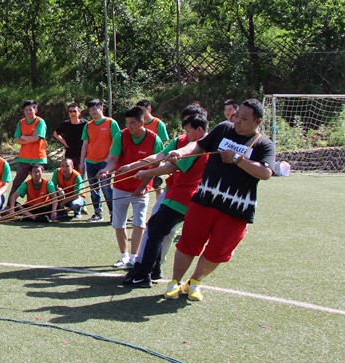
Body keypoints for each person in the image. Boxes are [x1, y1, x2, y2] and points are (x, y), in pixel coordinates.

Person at [163, 99, 275, 302]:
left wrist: (237, 159)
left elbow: (265, 172)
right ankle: (175, 282)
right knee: (189, 242)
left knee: (219, 251)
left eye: (243, 118)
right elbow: (199, 146)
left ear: (257, 121)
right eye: (236, 115)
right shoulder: (223, 128)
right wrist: (180, 152)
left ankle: (194, 282)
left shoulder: (264, 144)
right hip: (205, 199)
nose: (237, 121)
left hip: (236, 208)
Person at [121, 110, 209, 288]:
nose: (186, 134)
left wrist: (147, 173)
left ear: (199, 130)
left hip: (183, 197)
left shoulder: (199, 147)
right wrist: (134, 165)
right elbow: (160, 156)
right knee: (159, 231)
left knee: (156, 230)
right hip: (175, 194)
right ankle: (153, 269)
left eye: (189, 130)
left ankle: (143, 274)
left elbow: (171, 167)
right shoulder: (185, 141)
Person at [99, 106, 163, 269]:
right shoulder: (121, 136)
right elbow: (113, 159)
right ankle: (124, 256)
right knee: (118, 223)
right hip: (120, 186)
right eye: (127, 123)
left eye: (133, 123)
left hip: (141, 189)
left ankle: (134, 257)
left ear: (142, 122)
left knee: (139, 223)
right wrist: (107, 170)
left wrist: (143, 186)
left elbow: (156, 167)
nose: (129, 126)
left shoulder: (154, 139)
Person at [79, 98, 121, 223]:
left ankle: (114, 214)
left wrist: (109, 158)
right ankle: (97, 213)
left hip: (105, 162)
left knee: (106, 188)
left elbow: (117, 141)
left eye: (95, 109)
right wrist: (82, 161)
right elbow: (85, 145)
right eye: (90, 110)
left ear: (101, 108)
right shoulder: (88, 125)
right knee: (93, 189)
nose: (92, 112)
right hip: (90, 162)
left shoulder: (111, 123)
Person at [10, 100, 47, 196]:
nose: (28, 112)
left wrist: (24, 137)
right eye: (26, 110)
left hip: (38, 158)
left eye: (30, 109)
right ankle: (10, 206)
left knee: (38, 183)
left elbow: (36, 138)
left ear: (36, 110)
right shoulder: (21, 123)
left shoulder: (40, 122)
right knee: (17, 183)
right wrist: (30, 138)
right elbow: (18, 140)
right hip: (24, 158)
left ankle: (40, 205)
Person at [52, 102, 86, 172]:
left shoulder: (85, 124)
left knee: (80, 173)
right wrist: (64, 142)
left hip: (81, 153)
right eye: (70, 111)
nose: (72, 113)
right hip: (69, 153)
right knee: (69, 173)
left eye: (74, 111)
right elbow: (55, 133)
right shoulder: (65, 124)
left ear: (79, 112)